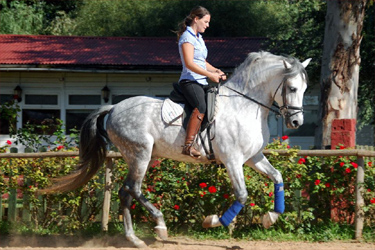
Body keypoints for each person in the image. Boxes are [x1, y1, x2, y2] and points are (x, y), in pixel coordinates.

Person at [176, 6, 226, 159]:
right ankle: (188, 146)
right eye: (206, 21)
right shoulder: (187, 37)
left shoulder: (199, 38)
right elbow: (190, 63)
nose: (208, 25)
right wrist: (210, 75)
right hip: (189, 80)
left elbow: (202, 62)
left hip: (200, 80)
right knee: (201, 106)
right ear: (196, 19)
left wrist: (216, 70)